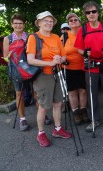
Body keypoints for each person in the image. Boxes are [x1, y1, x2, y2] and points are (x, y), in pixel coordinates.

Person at [27, 11, 72, 147]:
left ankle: (57, 129)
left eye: (51, 21)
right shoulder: (34, 38)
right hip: (42, 76)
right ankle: (40, 133)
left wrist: (59, 59)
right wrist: (49, 63)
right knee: (43, 106)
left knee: (58, 103)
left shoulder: (56, 37)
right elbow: (30, 60)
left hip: (57, 73)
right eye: (45, 20)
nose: (49, 23)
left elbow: (64, 56)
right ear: (39, 23)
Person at [74, 1, 103, 131]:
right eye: (88, 12)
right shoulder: (83, 29)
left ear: (98, 13)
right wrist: (85, 53)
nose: (91, 14)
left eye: (94, 11)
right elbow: (79, 49)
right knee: (92, 93)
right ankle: (94, 119)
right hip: (91, 64)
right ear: (85, 15)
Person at [3, 14, 29, 131]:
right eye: (16, 23)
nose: (18, 25)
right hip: (16, 70)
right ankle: (22, 119)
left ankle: (43, 115)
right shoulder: (8, 38)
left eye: (20, 23)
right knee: (19, 94)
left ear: (24, 24)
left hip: (30, 68)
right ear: (12, 24)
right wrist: (13, 55)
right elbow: (5, 57)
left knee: (36, 93)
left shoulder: (29, 37)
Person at [62, 13, 89, 125]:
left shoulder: (84, 34)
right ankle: (75, 112)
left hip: (84, 66)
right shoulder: (64, 37)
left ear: (79, 22)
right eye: (71, 20)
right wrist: (62, 59)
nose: (73, 21)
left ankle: (83, 111)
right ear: (68, 24)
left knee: (83, 91)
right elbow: (59, 51)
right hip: (69, 68)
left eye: (75, 20)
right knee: (72, 91)